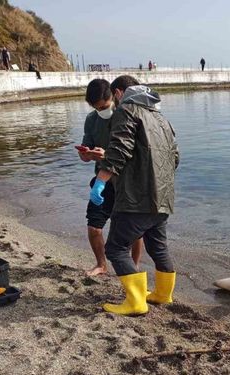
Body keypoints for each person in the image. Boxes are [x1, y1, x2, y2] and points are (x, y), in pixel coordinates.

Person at [90, 75, 179, 315]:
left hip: (136, 199)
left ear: (119, 93)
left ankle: (136, 302)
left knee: (116, 248)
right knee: (158, 247)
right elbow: (175, 157)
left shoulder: (127, 111)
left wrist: (100, 182)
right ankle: (163, 294)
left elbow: (119, 149)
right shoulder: (160, 117)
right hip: (163, 197)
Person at [79, 78, 144, 276]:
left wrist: (107, 154)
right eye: (97, 108)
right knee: (94, 226)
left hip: (126, 182)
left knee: (134, 230)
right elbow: (85, 154)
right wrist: (87, 155)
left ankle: (134, 266)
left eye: (104, 106)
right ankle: (101, 264)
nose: (102, 111)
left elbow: (134, 153)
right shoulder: (91, 120)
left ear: (113, 96)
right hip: (101, 179)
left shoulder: (125, 116)